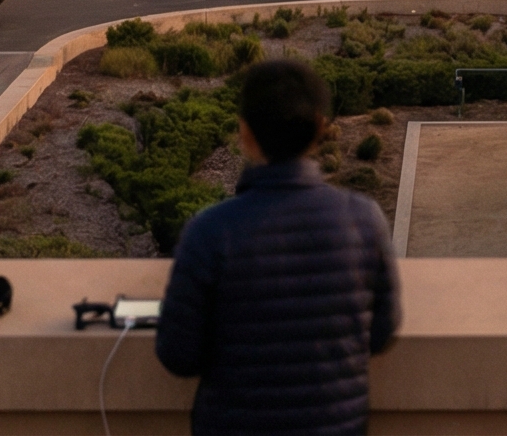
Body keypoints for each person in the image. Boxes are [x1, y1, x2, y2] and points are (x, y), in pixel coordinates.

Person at [157, 58, 400, 436]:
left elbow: (178, 355)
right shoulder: (365, 221)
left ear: (245, 133)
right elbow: (382, 332)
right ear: (321, 127)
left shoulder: (210, 231)